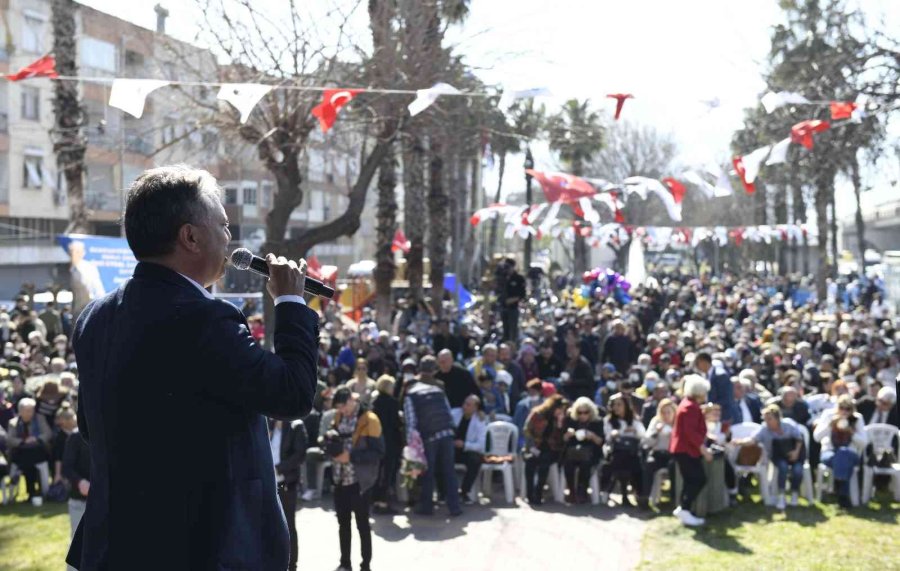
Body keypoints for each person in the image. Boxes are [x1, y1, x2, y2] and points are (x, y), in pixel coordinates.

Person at [67, 165, 319, 571]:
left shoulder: (95, 317)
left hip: (117, 547)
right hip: (203, 549)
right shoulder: (205, 319)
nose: (229, 239)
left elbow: (91, 428)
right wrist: (290, 302)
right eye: (223, 224)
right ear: (190, 236)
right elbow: (293, 393)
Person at [325, 388, 384, 571]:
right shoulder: (337, 417)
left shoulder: (370, 419)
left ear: (352, 400)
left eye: (343, 406)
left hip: (360, 481)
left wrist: (350, 457)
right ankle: (345, 563)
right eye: (338, 407)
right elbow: (330, 440)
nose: (341, 410)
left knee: (362, 525)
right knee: (343, 524)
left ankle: (365, 565)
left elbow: (378, 452)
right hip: (339, 479)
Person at [403, 355, 462, 516]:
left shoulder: (411, 394)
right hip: (446, 433)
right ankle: (454, 507)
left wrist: (411, 445)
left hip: (428, 435)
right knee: (449, 470)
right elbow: (448, 412)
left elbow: (411, 421)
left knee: (428, 471)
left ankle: (427, 506)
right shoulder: (438, 389)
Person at [736, 405, 804, 510]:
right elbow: (753, 440)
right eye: (765, 419)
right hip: (778, 457)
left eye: (769, 419)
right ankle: (781, 496)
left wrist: (796, 452)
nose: (767, 421)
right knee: (783, 467)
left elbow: (799, 438)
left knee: (798, 471)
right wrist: (739, 442)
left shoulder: (788, 425)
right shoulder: (764, 430)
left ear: (778, 418)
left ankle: (794, 494)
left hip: (795, 456)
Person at [670, 375, 714, 527]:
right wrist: (704, 450)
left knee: (690, 480)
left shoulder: (688, 405)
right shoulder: (690, 407)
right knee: (698, 479)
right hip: (686, 450)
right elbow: (691, 434)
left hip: (683, 449)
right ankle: (685, 508)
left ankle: (683, 508)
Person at [814, 394, 868, 508]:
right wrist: (830, 425)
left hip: (851, 454)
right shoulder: (828, 415)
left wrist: (851, 432)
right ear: (837, 407)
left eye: (848, 408)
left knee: (843, 452)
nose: (844, 411)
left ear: (852, 409)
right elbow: (816, 437)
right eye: (841, 407)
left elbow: (864, 442)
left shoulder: (857, 419)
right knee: (841, 456)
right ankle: (843, 494)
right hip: (829, 454)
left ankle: (838, 485)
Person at [270, 418, 308, 571]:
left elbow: (300, 454)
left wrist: (278, 468)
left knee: (288, 525)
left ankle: (291, 564)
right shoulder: (269, 426)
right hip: (269, 482)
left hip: (286, 482)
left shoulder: (295, 426)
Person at [523, 394, 569, 505]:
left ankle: (538, 493)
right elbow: (527, 430)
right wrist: (533, 444)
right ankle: (530, 494)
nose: (560, 411)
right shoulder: (537, 414)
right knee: (530, 462)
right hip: (535, 446)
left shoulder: (562, 419)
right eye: (559, 409)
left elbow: (560, 441)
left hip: (553, 449)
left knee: (544, 462)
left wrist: (559, 426)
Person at [601, 393, 646, 506]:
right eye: (614, 405)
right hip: (615, 452)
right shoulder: (609, 420)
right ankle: (627, 495)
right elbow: (607, 436)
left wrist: (634, 431)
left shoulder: (634, 420)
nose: (616, 407)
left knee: (632, 464)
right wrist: (615, 434)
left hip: (632, 452)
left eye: (619, 405)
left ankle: (637, 494)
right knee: (620, 462)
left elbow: (642, 434)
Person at [7, 397, 52, 503]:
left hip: (38, 452)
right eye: (27, 411)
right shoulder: (13, 423)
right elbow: (10, 439)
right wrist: (23, 441)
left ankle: (38, 492)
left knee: (34, 460)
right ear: (20, 411)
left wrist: (36, 438)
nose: (29, 413)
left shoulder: (40, 419)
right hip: (21, 453)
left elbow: (48, 433)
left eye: (31, 410)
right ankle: (31, 492)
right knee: (27, 463)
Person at [562, 397, 604, 504]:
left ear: (591, 412)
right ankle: (571, 490)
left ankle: (582, 490)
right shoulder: (571, 421)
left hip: (591, 452)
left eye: (585, 412)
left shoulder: (597, 422)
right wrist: (568, 434)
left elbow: (600, 442)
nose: (582, 415)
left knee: (586, 464)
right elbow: (564, 440)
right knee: (568, 464)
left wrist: (592, 436)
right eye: (579, 412)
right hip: (573, 452)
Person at [371, 375, 403, 515]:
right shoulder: (392, 403)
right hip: (390, 442)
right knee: (387, 473)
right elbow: (396, 424)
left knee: (378, 473)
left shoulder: (375, 402)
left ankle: (375, 501)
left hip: (376, 441)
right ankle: (383, 503)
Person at [451, 395, 488, 503]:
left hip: (467, 451)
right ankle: (443, 492)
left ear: (475, 408)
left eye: (468, 405)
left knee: (475, 460)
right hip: (451, 449)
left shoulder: (480, 421)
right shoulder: (454, 414)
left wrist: (465, 445)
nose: (464, 407)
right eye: (464, 403)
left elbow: (481, 445)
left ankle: (464, 492)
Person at [63, 429, 90, 571]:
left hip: (104, 500)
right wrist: (80, 482)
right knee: (78, 542)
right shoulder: (75, 436)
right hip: (79, 501)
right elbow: (67, 468)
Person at [641, 398, 677, 506]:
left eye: (668, 412)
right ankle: (645, 497)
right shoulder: (656, 421)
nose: (666, 415)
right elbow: (646, 442)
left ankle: (674, 497)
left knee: (674, 466)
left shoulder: (678, 423)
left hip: (672, 455)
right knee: (648, 465)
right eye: (663, 412)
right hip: (657, 453)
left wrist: (672, 434)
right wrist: (656, 432)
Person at [695, 352, 738, 429]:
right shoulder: (708, 375)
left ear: (703, 361)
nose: (698, 368)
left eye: (697, 364)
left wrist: (710, 406)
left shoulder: (720, 375)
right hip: (714, 417)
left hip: (724, 418)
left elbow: (727, 399)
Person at [501, 259, 526, 342]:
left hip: (513, 308)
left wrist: (513, 300)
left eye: (508, 267)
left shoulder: (519, 278)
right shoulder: (502, 277)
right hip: (503, 307)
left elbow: (522, 294)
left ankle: (513, 345)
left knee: (513, 330)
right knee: (505, 330)